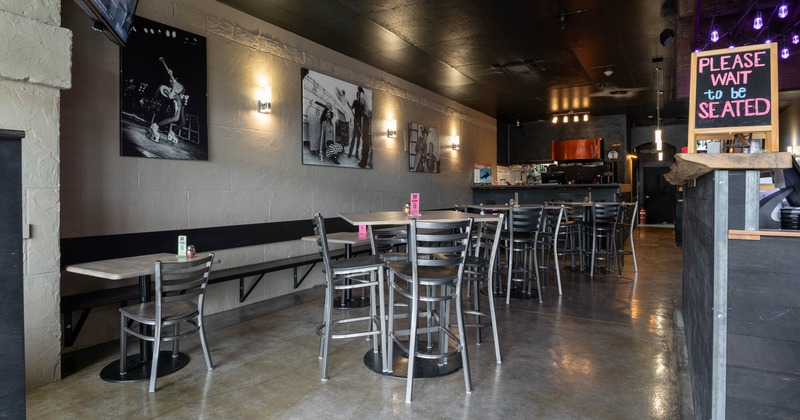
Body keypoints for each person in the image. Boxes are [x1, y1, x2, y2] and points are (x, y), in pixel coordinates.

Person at [147, 57, 187, 144]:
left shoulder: (176, 83)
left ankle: (172, 133)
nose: (173, 81)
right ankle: (155, 126)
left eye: (173, 80)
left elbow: (169, 72)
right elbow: (170, 96)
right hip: (178, 101)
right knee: (176, 118)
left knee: (183, 122)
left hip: (183, 102)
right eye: (171, 81)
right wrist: (174, 88)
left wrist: (164, 62)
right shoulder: (167, 89)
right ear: (170, 84)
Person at [348, 87, 366, 160]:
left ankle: (356, 153)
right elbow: (351, 108)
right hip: (356, 122)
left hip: (360, 123)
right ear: (357, 96)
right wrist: (348, 104)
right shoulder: (355, 102)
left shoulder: (362, 105)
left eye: (360, 95)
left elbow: (363, 114)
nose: (359, 96)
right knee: (353, 138)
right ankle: (350, 152)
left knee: (358, 139)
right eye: (358, 95)